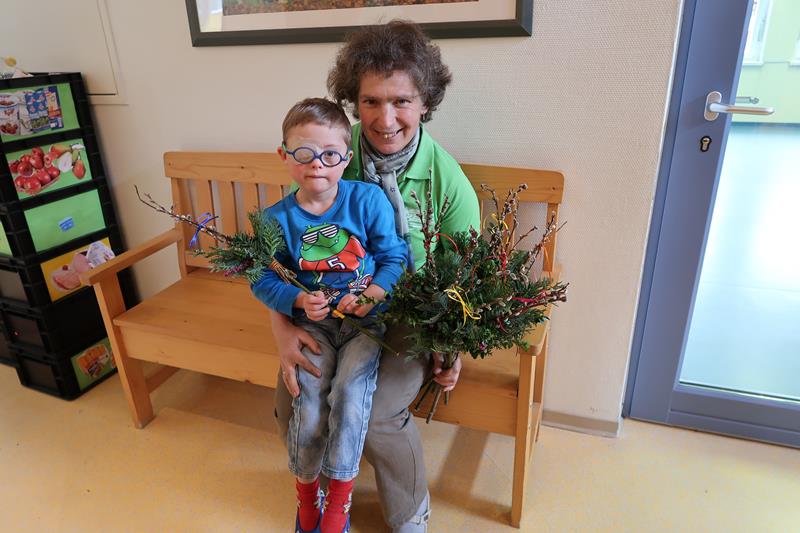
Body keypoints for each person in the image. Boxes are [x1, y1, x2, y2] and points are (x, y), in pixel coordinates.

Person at [271, 21, 481, 533]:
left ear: (425, 103)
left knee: (380, 410)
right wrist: (281, 330)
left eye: (401, 101)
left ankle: (409, 512)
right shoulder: (332, 158)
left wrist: (449, 345)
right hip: (330, 308)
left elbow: (466, 277)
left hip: (412, 314)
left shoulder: (447, 180)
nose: (385, 120)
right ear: (353, 102)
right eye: (371, 102)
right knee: (292, 395)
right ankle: (318, 491)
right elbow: (284, 257)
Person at [251, 98, 408, 533]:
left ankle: (340, 499)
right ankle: (306, 495)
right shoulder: (275, 219)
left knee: (350, 394)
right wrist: (298, 301)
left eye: (330, 154)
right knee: (307, 400)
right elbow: (261, 279)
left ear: (346, 158)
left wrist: (373, 293)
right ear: (284, 155)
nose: (317, 164)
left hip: (363, 324)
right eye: (303, 152)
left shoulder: (367, 199)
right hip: (313, 327)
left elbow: (394, 257)